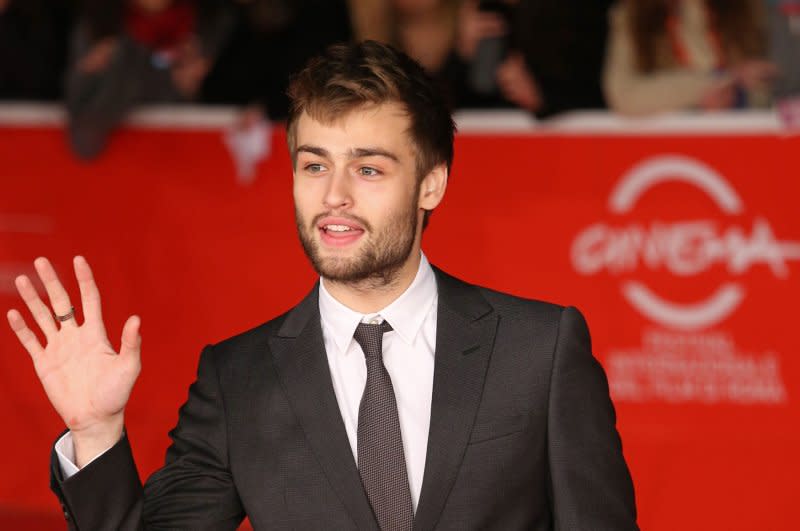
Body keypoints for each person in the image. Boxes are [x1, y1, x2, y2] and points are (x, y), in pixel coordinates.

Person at [7, 41, 638, 530]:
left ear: (431, 184)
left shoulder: (540, 349)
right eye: (314, 165)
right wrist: (95, 432)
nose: (333, 197)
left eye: (368, 167)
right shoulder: (238, 380)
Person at [604, 0, 777, 115]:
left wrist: (743, 93)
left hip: (745, 144)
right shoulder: (633, 15)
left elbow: (776, 75)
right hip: (673, 150)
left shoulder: (750, 7)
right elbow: (623, 95)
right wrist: (714, 83)